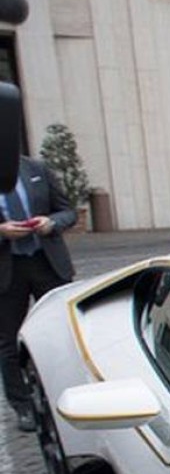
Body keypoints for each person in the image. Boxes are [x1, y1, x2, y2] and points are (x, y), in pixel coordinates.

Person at [0, 156, 77, 432]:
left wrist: (52, 223)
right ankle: (23, 406)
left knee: (62, 333)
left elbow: (68, 211)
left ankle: (68, 394)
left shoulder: (35, 169)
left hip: (47, 263)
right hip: (8, 271)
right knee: (8, 342)